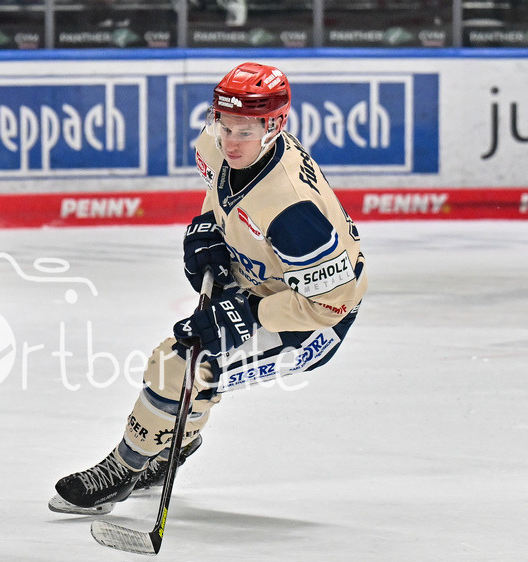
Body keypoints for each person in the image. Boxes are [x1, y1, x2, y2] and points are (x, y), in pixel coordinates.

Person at [50, 62, 367, 514]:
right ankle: (171, 448)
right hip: (262, 282)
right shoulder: (217, 146)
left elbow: (334, 303)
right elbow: (221, 194)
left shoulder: (294, 211)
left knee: (177, 366)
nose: (230, 142)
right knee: (188, 366)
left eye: (245, 131)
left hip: (309, 324)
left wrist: (249, 315)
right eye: (225, 125)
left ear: (274, 126)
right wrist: (207, 229)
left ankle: (123, 469)